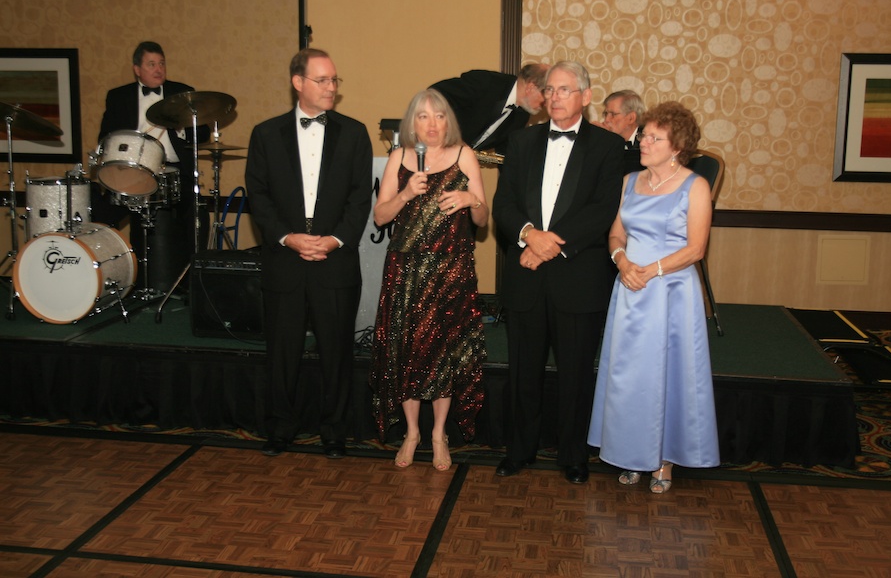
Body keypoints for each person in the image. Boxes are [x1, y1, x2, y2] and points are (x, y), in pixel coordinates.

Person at [492, 61, 624, 485]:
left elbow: (603, 209)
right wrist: (530, 236)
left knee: (576, 374)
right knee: (523, 372)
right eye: (550, 90)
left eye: (565, 90)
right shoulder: (521, 141)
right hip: (526, 277)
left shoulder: (609, 147)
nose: (554, 97)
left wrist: (550, 246)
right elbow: (503, 204)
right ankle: (519, 450)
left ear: (586, 96)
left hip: (578, 278)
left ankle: (573, 455)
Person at [244, 48, 373, 459]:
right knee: (282, 352)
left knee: (337, 351)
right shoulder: (266, 134)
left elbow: (360, 200)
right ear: (298, 82)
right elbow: (258, 197)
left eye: (335, 80)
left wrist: (334, 240)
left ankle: (335, 431)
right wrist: (288, 238)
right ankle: (281, 428)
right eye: (323, 80)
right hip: (285, 261)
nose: (331, 87)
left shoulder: (354, 133)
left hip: (336, 261)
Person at [587, 101, 719, 494]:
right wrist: (622, 261)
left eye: (654, 138)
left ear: (676, 146)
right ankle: (630, 453)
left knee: (667, 375)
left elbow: (696, 249)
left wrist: (652, 270)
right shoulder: (629, 181)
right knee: (629, 376)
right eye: (644, 135)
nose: (643, 142)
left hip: (671, 292)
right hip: (630, 288)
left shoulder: (695, 186)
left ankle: (664, 459)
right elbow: (616, 234)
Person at [369, 89, 488, 471]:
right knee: (407, 353)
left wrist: (471, 200)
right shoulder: (400, 157)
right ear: (412, 123)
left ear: (447, 120)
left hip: (450, 270)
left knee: (444, 355)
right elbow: (381, 217)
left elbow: (483, 219)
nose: (432, 124)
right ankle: (411, 432)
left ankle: (438, 434)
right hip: (406, 272)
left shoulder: (464, 154)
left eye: (438, 116)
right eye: (423, 117)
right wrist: (405, 193)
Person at [97, 41, 210, 291]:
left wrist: (181, 129)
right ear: (137, 69)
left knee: (197, 216)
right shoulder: (119, 96)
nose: (158, 69)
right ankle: (111, 278)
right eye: (151, 64)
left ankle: (192, 283)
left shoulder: (182, 93)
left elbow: (202, 134)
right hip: (132, 173)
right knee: (101, 216)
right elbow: (105, 136)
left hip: (175, 172)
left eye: (161, 63)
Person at [430, 64, 549, 155]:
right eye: (546, 96)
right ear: (531, 87)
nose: (547, 104)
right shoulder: (486, 83)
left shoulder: (522, 115)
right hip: (431, 150)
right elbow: (435, 94)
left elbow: (505, 155)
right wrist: (452, 137)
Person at [598, 90, 645, 174]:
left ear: (631, 118)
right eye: (606, 114)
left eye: (613, 114)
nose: (607, 119)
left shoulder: (647, 141)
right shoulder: (607, 140)